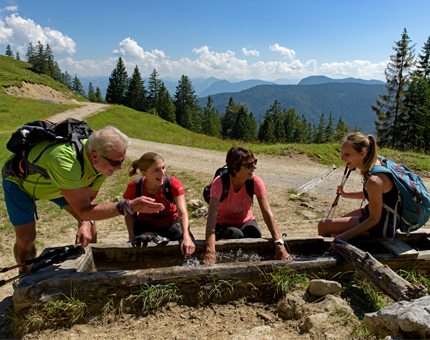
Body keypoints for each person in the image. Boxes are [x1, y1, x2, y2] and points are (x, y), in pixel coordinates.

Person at [2, 126, 165, 273]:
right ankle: (24, 274)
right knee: (26, 238)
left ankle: (89, 273)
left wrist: (85, 223)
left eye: (122, 160)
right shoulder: (63, 160)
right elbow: (84, 210)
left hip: (64, 186)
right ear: (94, 157)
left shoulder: (103, 162)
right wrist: (129, 206)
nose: (120, 167)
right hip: (21, 184)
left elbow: (89, 200)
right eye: (116, 162)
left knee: (90, 226)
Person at [203, 146, 291, 265]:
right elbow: (211, 218)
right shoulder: (219, 183)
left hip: (245, 220)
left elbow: (267, 213)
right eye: (249, 165)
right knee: (235, 235)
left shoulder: (256, 182)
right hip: (222, 223)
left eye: (254, 162)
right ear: (235, 168)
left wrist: (280, 245)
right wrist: (210, 252)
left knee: (254, 234)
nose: (254, 167)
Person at [318, 132, 397, 242]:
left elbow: (374, 219)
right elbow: (374, 195)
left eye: (347, 154)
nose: (342, 158)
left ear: (363, 153)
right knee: (334, 226)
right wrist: (346, 195)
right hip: (380, 216)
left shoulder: (374, 180)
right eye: (342, 153)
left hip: (382, 225)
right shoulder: (376, 162)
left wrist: (345, 235)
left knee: (323, 226)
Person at [123, 152, 195, 257]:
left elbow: (182, 212)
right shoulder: (135, 186)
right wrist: (131, 237)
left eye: (163, 168)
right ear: (144, 173)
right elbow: (128, 212)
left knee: (189, 247)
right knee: (145, 244)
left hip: (170, 221)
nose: (162, 173)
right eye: (156, 170)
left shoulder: (173, 184)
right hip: (145, 222)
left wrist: (186, 236)